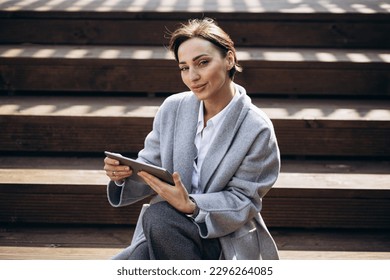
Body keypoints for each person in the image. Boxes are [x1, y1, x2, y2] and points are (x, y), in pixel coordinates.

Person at [104, 18, 280, 260]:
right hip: (167, 229)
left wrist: (192, 205)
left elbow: (245, 199)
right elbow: (151, 167)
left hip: (222, 237)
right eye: (184, 67)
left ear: (229, 59)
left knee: (158, 216)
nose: (192, 77)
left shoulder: (257, 128)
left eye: (203, 63)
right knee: (138, 252)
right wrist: (124, 174)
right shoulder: (172, 108)